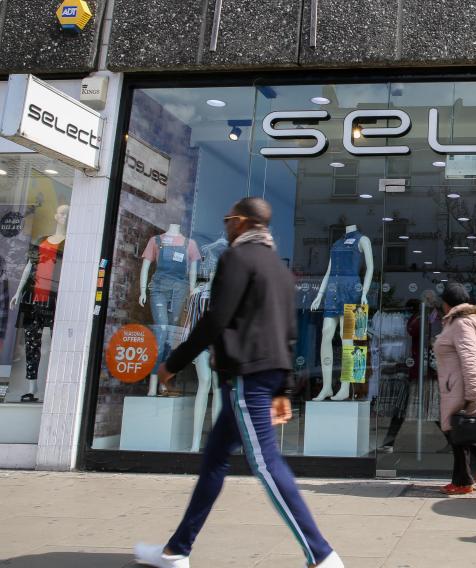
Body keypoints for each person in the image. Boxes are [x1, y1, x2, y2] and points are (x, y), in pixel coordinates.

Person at [133, 198, 342, 568]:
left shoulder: (237, 259)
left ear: (244, 223)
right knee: (214, 461)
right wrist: (284, 387)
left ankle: (321, 554)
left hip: (248, 374)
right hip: (261, 374)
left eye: (229, 219)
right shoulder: (278, 269)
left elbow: (216, 319)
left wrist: (174, 363)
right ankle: (177, 550)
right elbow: (290, 333)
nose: (226, 226)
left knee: (265, 464)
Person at [435, 282, 476, 495]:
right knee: (457, 432)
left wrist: (473, 393)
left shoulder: (461, 323)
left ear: (447, 303)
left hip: (464, 384)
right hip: (458, 383)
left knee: (457, 431)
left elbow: (470, 358)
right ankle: (467, 477)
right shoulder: (456, 321)